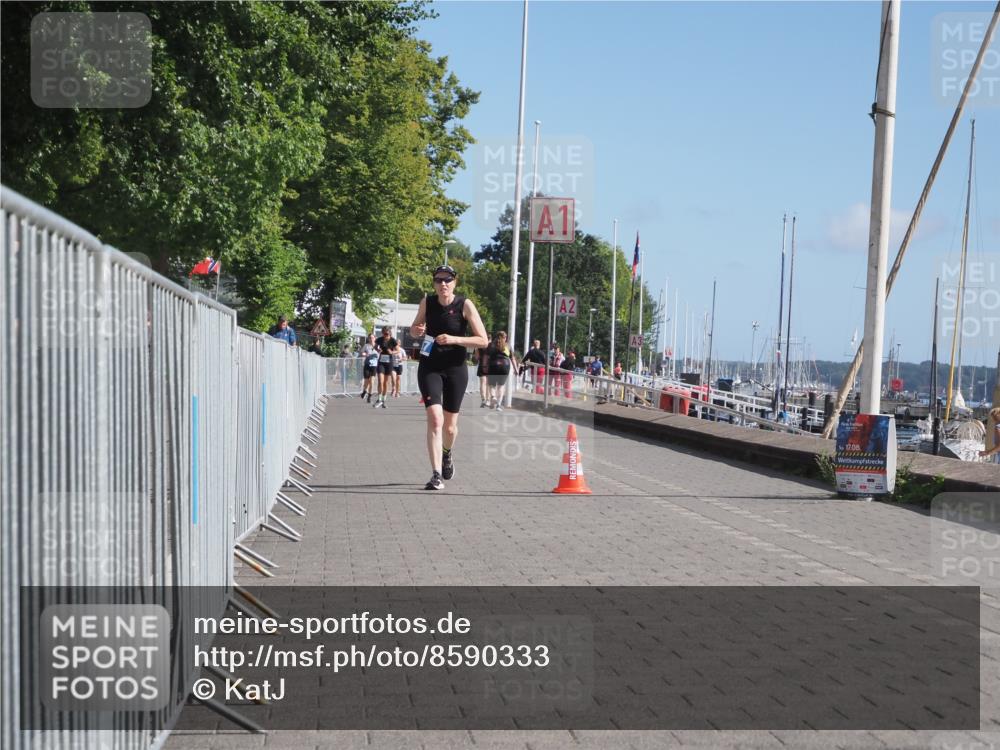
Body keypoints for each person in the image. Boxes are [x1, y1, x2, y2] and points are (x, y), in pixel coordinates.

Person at [409, 264, 488, 490]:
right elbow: (414, 328)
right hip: (430, 365)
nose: (443, 284)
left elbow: (483, 340)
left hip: (455, 368)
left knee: (450, 428)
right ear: (434, 283)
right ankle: (435, 475)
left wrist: (454, 339)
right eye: (438, 280)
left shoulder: (465, 305)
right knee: (435, 419)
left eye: (447, 280)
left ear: (455, 282)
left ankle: (447, 453)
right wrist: (417, 330)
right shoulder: (428, 302)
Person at [486, 331, 518, 410]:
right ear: (505, 338)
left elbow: (486, 356)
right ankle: (498, 405)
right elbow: (512, 358)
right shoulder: (508, 346)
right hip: (505, 365)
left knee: (492, 385)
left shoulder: (491, 345)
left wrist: (485, 366)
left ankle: (493, 396)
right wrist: (516, 369)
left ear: (496, 337)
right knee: (501, 386)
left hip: (493, 365)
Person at [372, 326, 399, 409]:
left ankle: (384, 400)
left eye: (386, 334)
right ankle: (379, 399)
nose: (385, 335)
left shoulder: (393, 340)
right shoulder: (380, 339)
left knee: (386, 383)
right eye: (384, 333)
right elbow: (375, 346)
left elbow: (398, 350)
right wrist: (377, 350)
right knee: (380, 380)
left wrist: (392, 352)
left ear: (389, 333)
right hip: (381, 362)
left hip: (389, 362)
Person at [360, 334, 378, 402]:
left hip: (374, 365)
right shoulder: (366, 345)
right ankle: (364, 391)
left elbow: (381, 352)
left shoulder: (377, 346)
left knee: (372, 381)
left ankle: (369, 396)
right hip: (367, 365)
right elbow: (362, 353)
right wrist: (365, 354)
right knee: (366, 381)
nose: (371, 339)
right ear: (368, 339)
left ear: (375, 338)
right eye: (370, 338)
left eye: (372, 338)